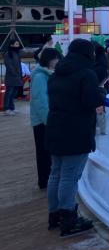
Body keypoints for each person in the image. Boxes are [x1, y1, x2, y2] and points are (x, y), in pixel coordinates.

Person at [46, 38, 106, 237]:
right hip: (75, 131)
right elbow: (93, 100)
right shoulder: (86, 74)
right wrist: (101, 90)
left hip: (55, 128)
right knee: (70, 176)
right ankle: (68, 218)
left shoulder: (57, 73)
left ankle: (54, 214)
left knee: (56, 172)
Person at [30, 48, 61, 189]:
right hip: (42, 121)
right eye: (55, 59)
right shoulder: (40, 77)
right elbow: (40, 101)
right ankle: (44, 180)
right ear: (48, 60)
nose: (57, 61)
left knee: (48, 152)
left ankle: (47, 179)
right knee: (43, 152)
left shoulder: (48, 75)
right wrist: (49, 121)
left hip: (48, 119)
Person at [2, 39, 23, 116]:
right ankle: (6, 109)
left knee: (13, 93)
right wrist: (15, 74)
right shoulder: (7, 54)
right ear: (11, 45)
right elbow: (9, 66)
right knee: (9, 93)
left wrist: (20, 74)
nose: (18, 45)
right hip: (11, 77)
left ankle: (12, 108)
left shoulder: (17, 54)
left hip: (18, 77)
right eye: (16, 44)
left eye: (18, 44)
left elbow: (19, 65)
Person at [93, 43, 109, 135]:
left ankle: (101, 129)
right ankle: (101, 129)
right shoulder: (102, 59)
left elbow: (103, 77)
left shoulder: (99, 62)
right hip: (100, 89)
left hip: (98, 90)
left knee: (99, 110)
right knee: (100, 110)